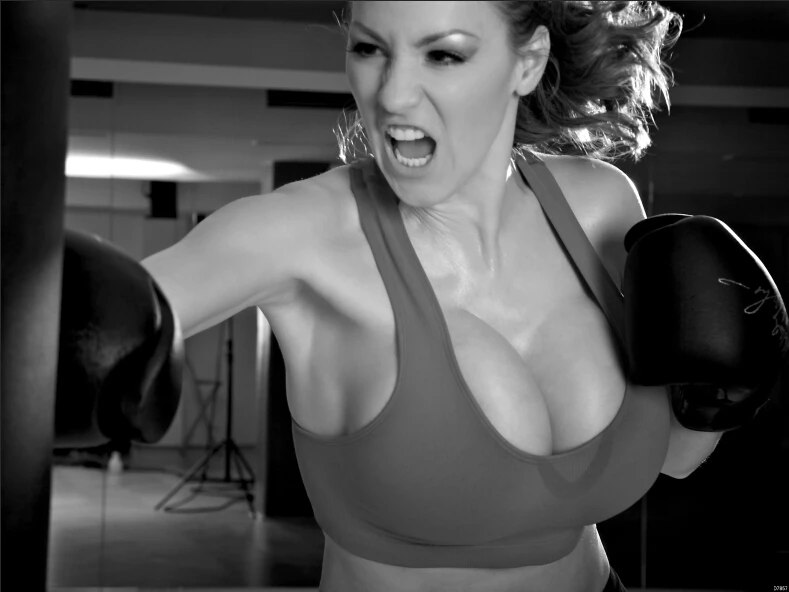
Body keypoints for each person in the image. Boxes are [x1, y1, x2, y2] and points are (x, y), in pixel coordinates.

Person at [60, 2, 787, 591]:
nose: (391, 94)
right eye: (370, 49)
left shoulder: (600, 204)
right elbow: (117, 316)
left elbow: (674, 459)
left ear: (527, 61)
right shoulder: (301, 233)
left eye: (442, 54)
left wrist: (715, 401)